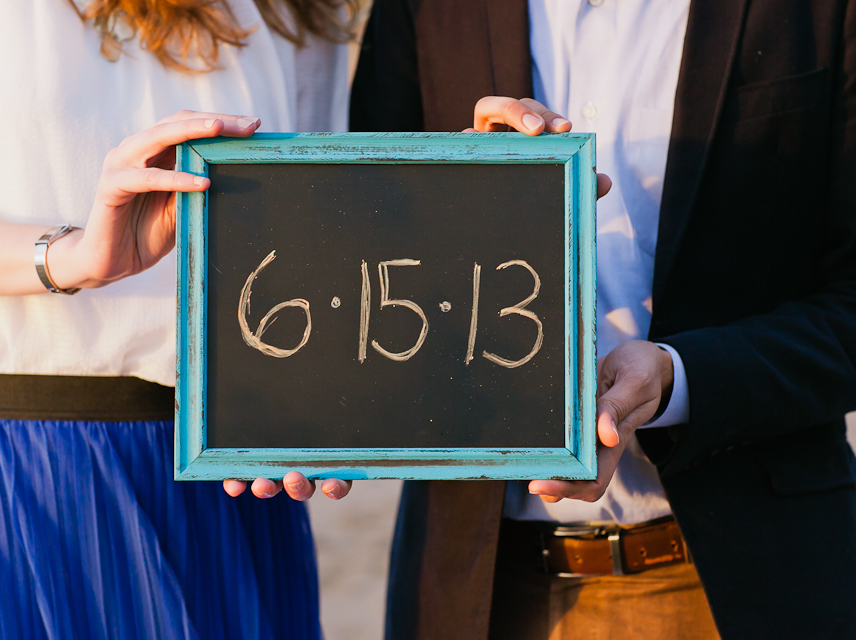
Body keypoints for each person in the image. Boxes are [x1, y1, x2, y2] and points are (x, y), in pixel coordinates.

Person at [351, 0, 856, 638]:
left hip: (747, 580)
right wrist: (460, 202)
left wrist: (680, 377)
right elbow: (362, 244)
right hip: (478, 586)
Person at [0, 0, 355, 638]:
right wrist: (72, 256)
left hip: (234, 477)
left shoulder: (300, 9)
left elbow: (317, 219)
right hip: (7, 471)